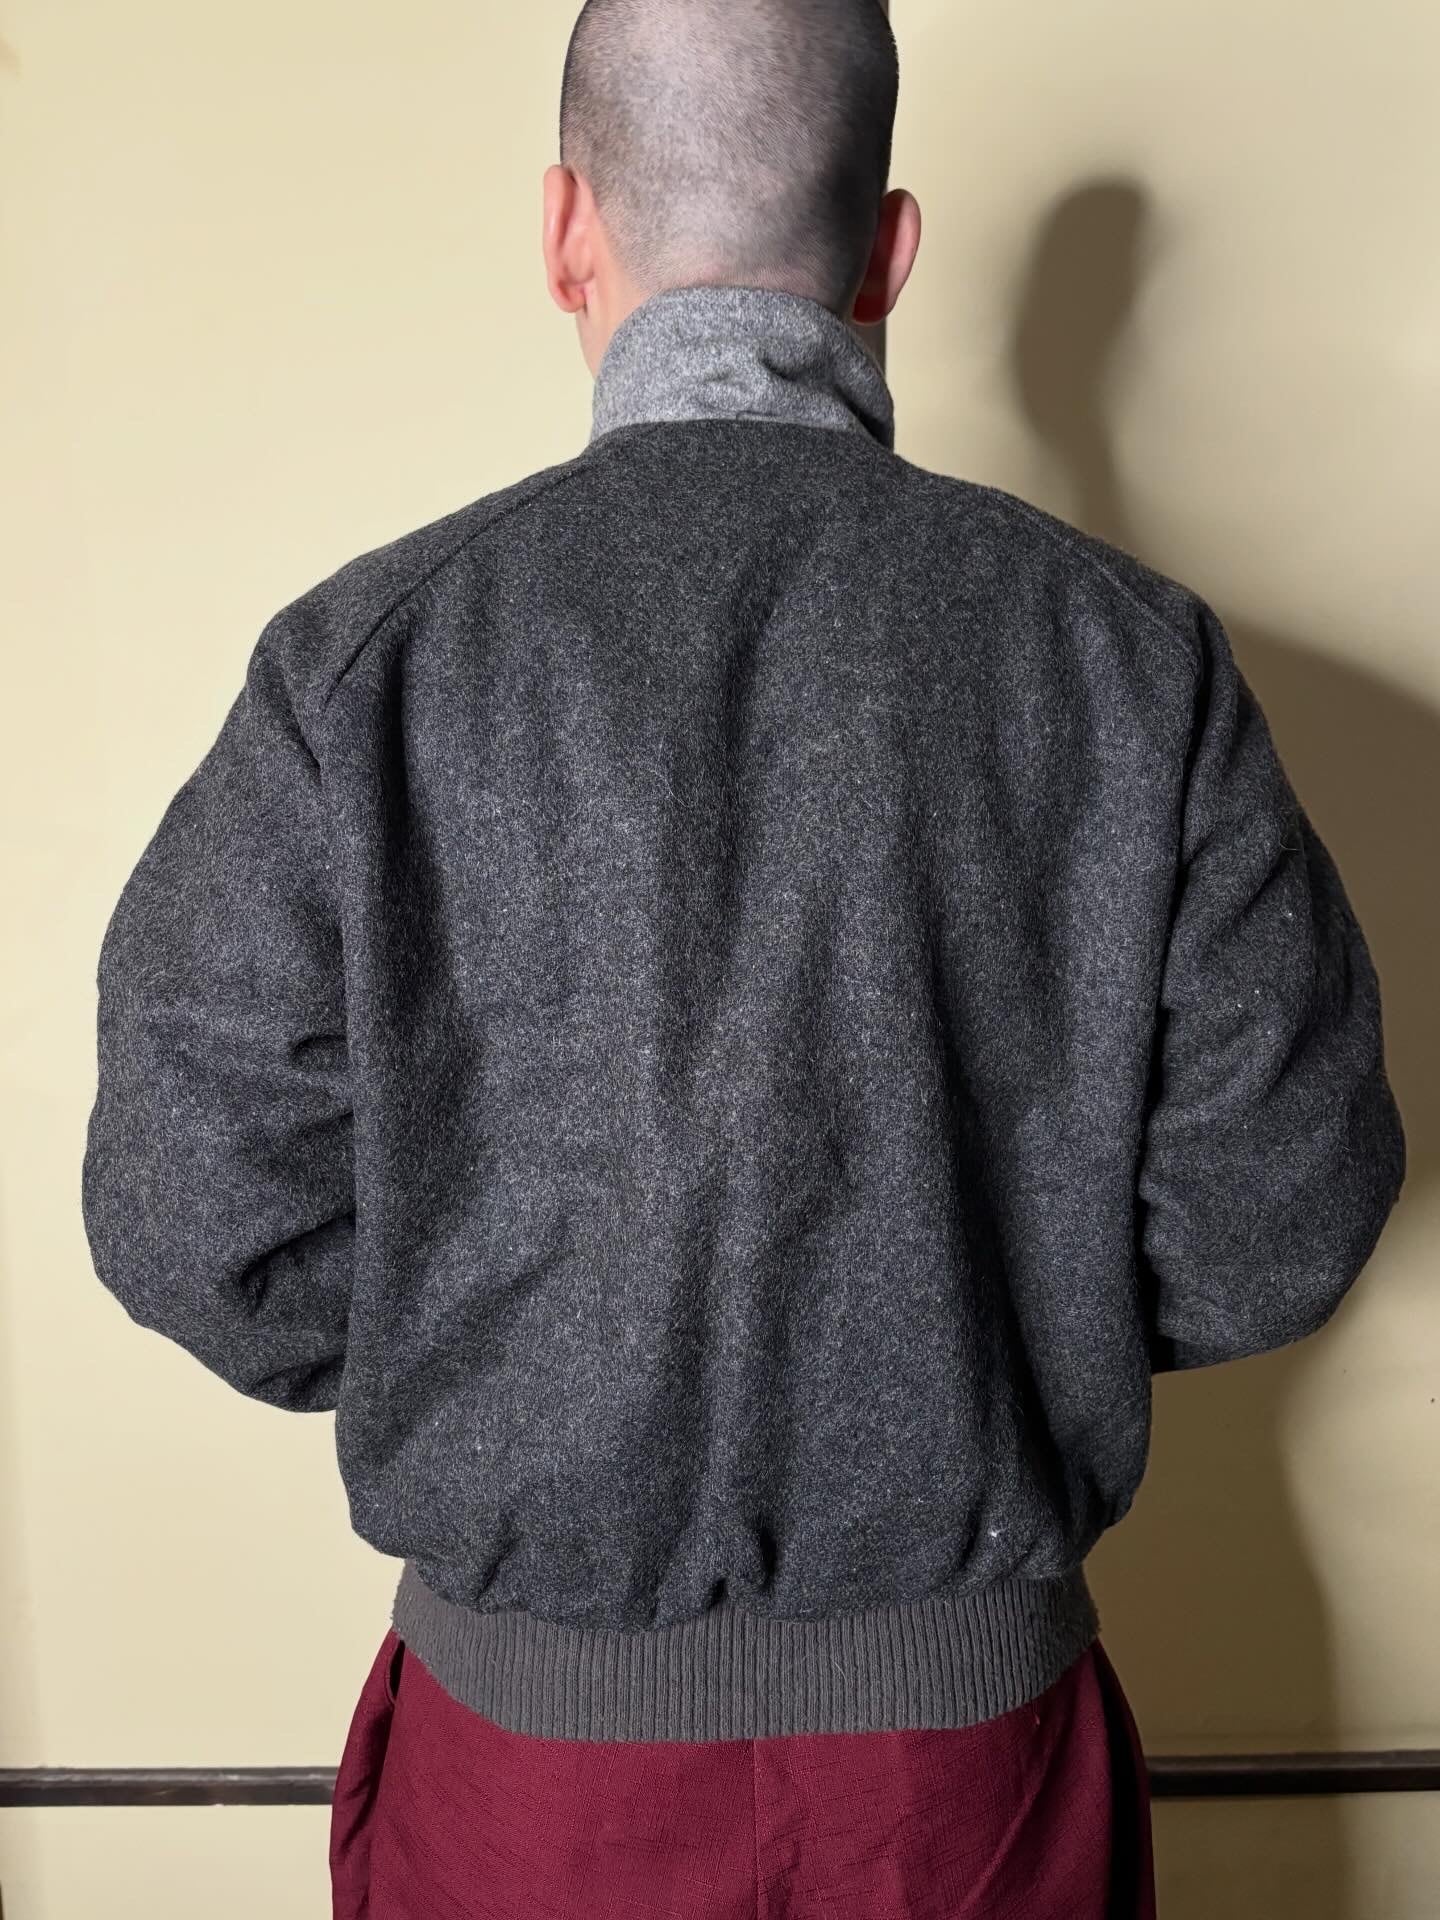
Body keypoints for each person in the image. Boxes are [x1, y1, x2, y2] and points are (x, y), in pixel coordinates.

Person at [79, 1, 1407, 1914]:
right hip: (969, 1784)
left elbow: (187, 1209)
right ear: (889, 255)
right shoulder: (1128, 659)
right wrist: (997, 1321)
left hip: (527, 1782)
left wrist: (494, 1354)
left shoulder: (365, 665)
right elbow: (1281, 1212)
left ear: (564, 231)